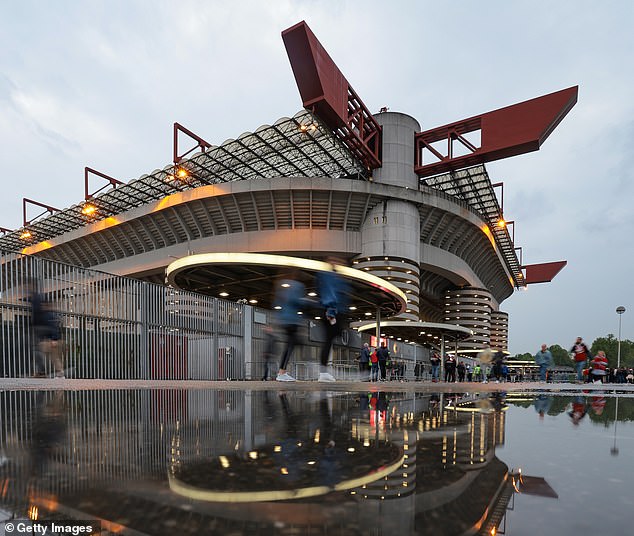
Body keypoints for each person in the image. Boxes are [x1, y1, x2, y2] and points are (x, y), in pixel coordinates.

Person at [315, 262, 349, 382]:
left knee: (330, 339)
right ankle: (323, 372)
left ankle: (323, 371)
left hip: (332, 310)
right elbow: (330, 294)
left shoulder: (326, 276)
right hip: (332, 311)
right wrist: (331, 312)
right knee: (330, 339)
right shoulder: (330, 276)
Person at [275, 276, 307, 382]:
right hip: (291, 321)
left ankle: (282, 372)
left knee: (291, 345)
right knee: (290, 345)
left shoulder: (282, 286)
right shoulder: (295, 286)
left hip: (286, 320)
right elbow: (296, 301)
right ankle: (281, 372)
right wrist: (309, 301)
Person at [30, 288, 65, 378]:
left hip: (52, 340)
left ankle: (57, 373)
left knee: (52, 356)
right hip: (49, 340)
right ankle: (50, 373)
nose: (42, 306)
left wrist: (54, 339)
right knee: (50, 355)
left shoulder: (49, 314)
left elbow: (54, 326)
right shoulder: (47, 314)